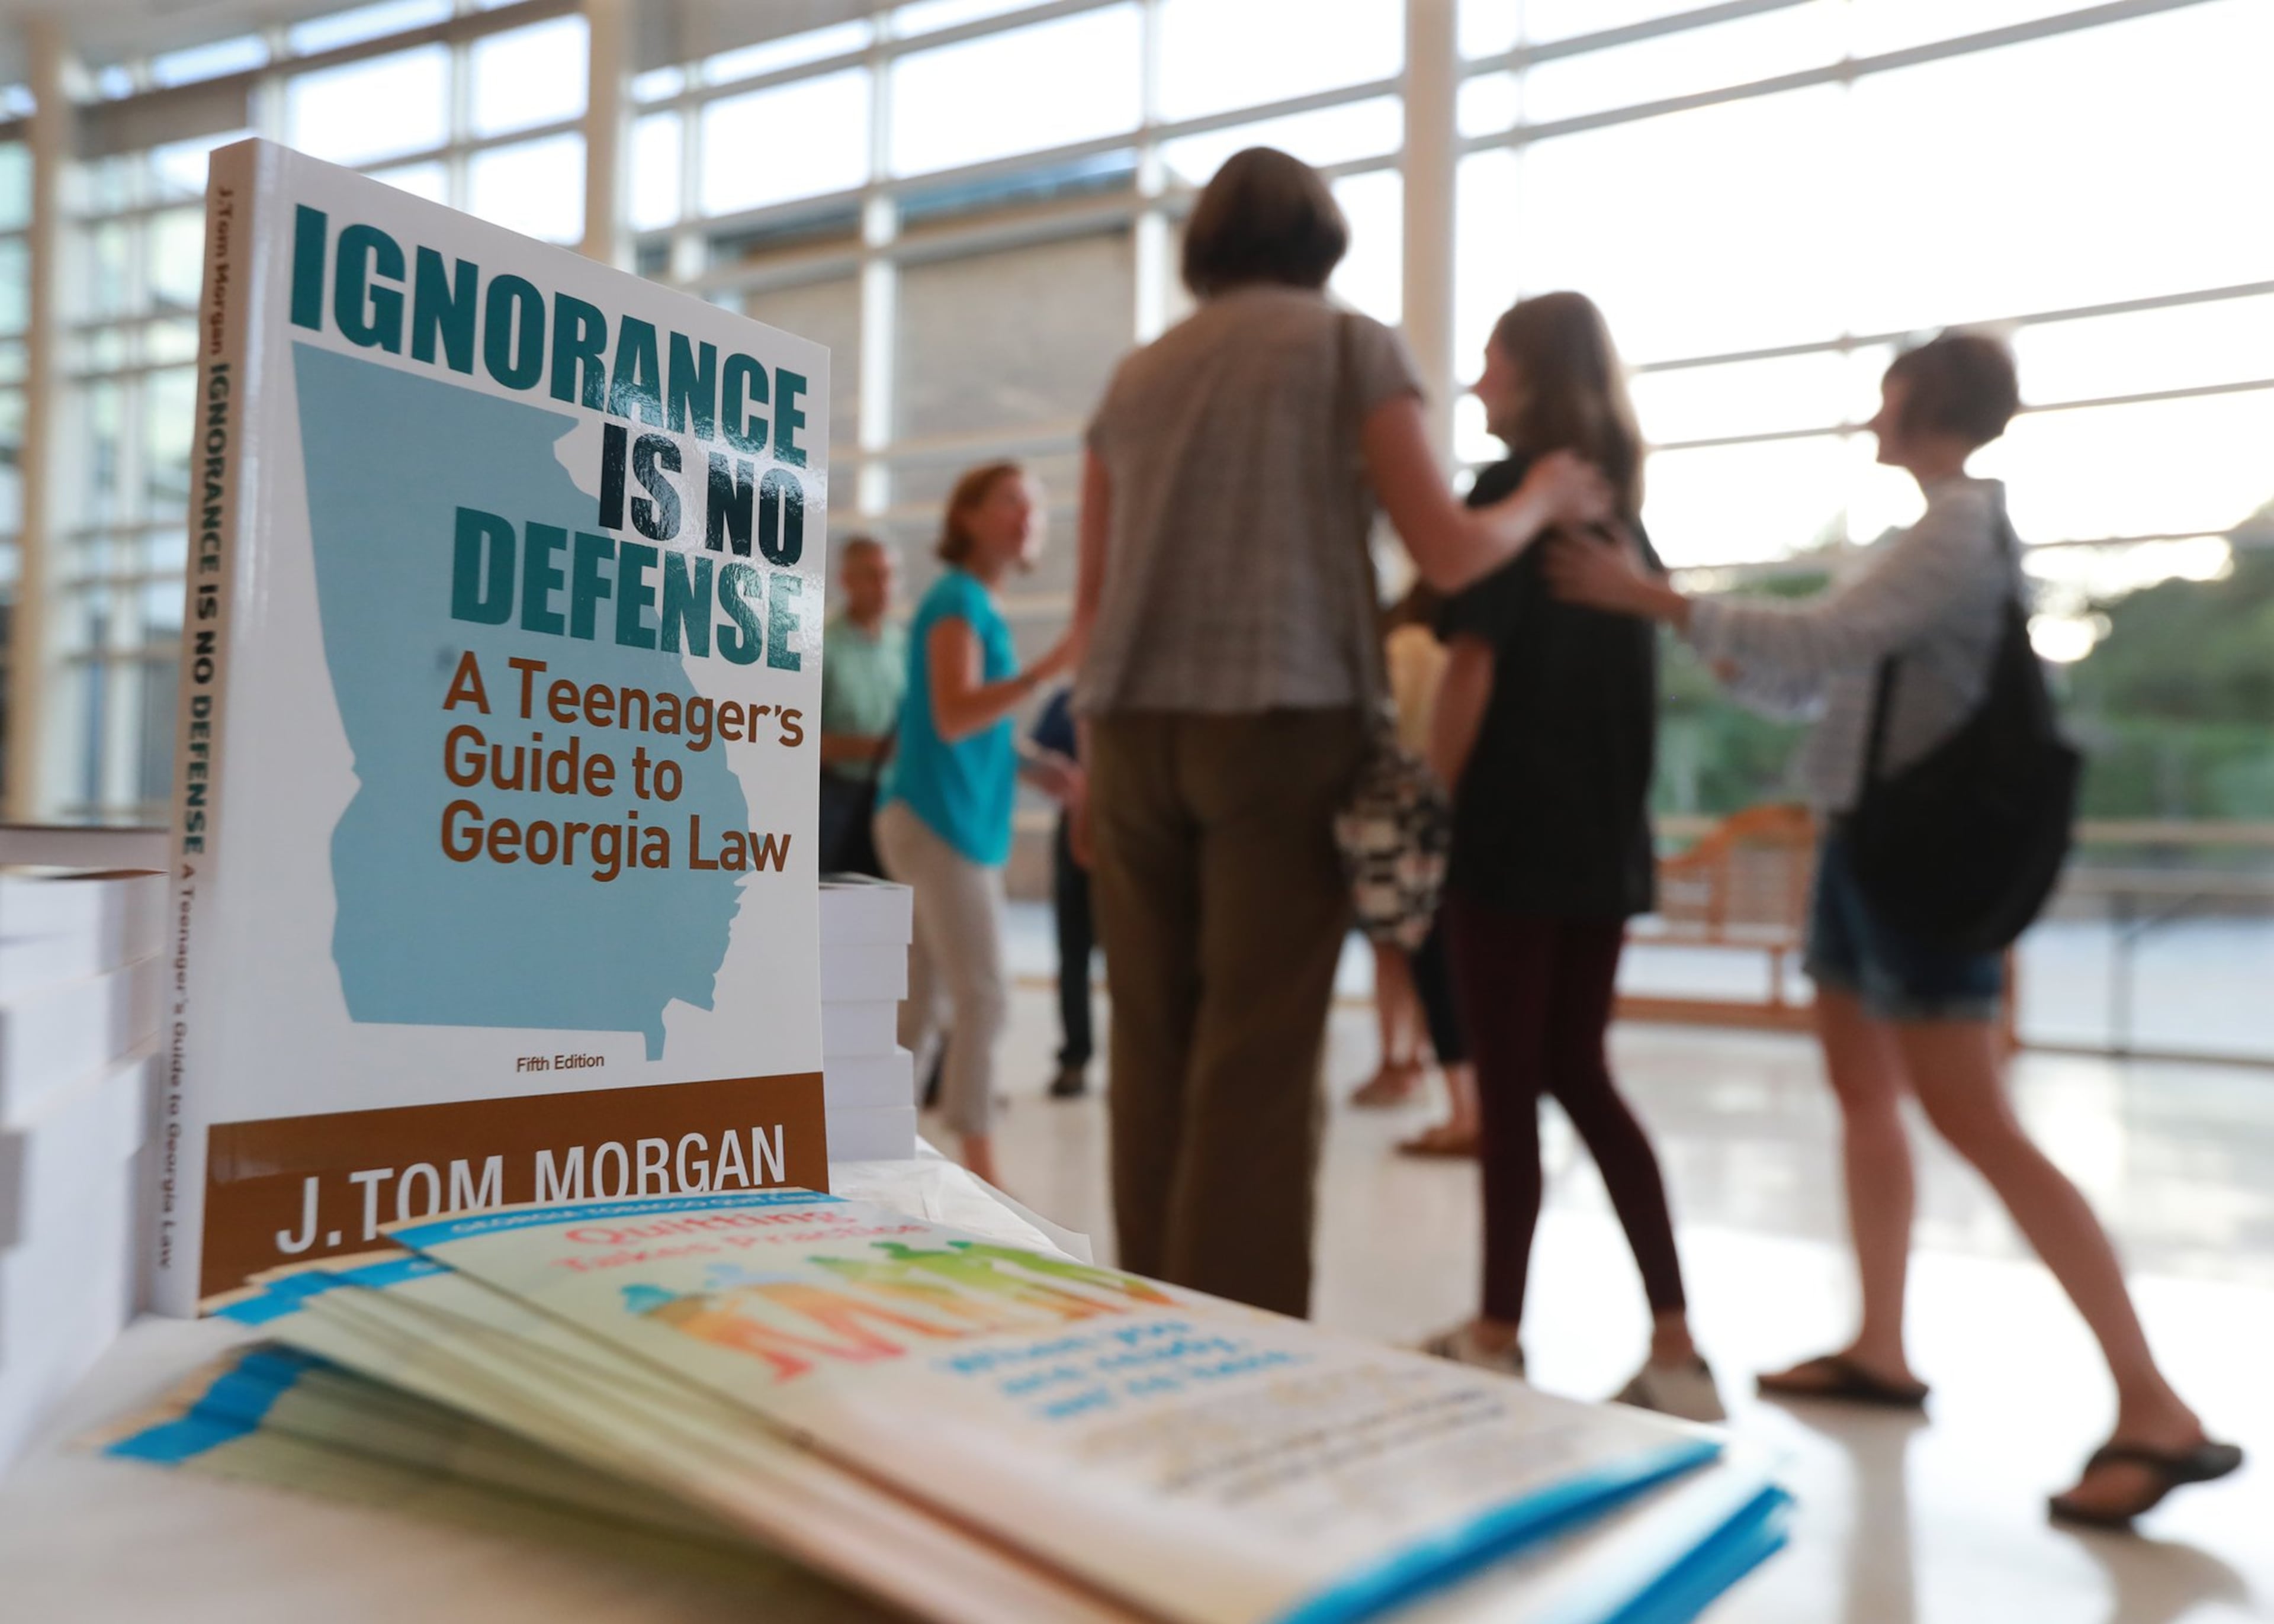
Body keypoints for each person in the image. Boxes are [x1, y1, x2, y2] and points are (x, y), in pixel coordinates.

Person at [1547, 331, 2242, 1520]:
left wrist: (1653, 598)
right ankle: (1882, 1348)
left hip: (1919, 865)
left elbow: (1825, 644)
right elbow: (1813, 678)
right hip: (1864, 850)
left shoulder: (1959, 527)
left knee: (1974, 1119)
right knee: (1868, 1098)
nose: (1873, 414)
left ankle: (2156, 1408)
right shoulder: (1916, 536)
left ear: (1925, 403)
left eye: (1886, 394)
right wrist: (1692, 626)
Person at [1072, 147, 1613, 1317]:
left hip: (1128, 732)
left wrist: (1081, 782)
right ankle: (1237, 1356)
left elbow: (1092, 605)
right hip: (1284, 717)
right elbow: (1451, 550)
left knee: (1152, 1045)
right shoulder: (1349, 344)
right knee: (1255, 1058)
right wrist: (1543, 498)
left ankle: (1146, 1333)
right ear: (1322, 235)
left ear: (1205, 244)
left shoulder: (1135, 377)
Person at [1418, 292, 1720, 1422]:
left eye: (1492, 360)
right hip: (1603, 842)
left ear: (1532, 373)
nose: (1478, 380)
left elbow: (1471, 670)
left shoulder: (1510, 499)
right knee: (1579, 1071)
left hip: (1511, 833)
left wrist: (1431, 800)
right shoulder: (1619, 515)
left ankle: (1495, 1332)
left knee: (1510, 1085)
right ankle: (1679, 1348)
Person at [875, 463, 1077, 1188]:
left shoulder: (974, 604)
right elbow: (955, 713)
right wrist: (1049, 669)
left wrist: (1032, 763)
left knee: (925, 996)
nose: (1028, 516)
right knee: (985, 991)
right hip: (937, 819)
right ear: (967, 517)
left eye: (1037, 507)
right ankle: (980, 1165)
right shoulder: (958, 600)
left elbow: (963, 721)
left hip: (950, 816)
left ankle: (878, 1143)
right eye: (1012, 501)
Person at [818, 536, 904, 876]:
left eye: (889, 575)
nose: (883, 586)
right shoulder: (825, 647)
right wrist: (878, 748)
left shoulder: (902, 647)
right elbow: (804, 740)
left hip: (890, 798)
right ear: (846, 580)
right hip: (836, 797)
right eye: (871, 575)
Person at [1029, 685, 1096, 1100]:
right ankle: (1075, 1057)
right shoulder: (1069, 701)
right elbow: (1040, 763)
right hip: (1075, 827)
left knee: (1141, 957)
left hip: (1131, 830)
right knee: (1073, 952)